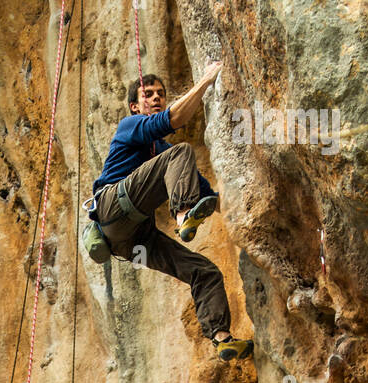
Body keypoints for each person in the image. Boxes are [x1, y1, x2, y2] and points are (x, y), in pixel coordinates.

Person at [90, 64, 254, 361]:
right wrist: (205, 81)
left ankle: (222, 338)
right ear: (134, 106)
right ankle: (183, 216)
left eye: (161, 95)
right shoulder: (130, 126)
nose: (156, 99)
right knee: (180, 153)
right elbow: (174, 119)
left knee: (204, 272)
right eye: (148, 94)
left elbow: (206, 194)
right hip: (112, 205)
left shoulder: (160, 150)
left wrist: (240, 209)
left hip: (130, 239)